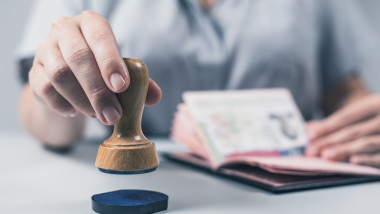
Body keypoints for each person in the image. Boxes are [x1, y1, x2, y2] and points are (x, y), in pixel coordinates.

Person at [16, 0, 380, 167]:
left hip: (293, 188)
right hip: (144, 185)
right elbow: (45, 120)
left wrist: (363, 130)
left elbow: (345, 91)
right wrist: (51, 91)